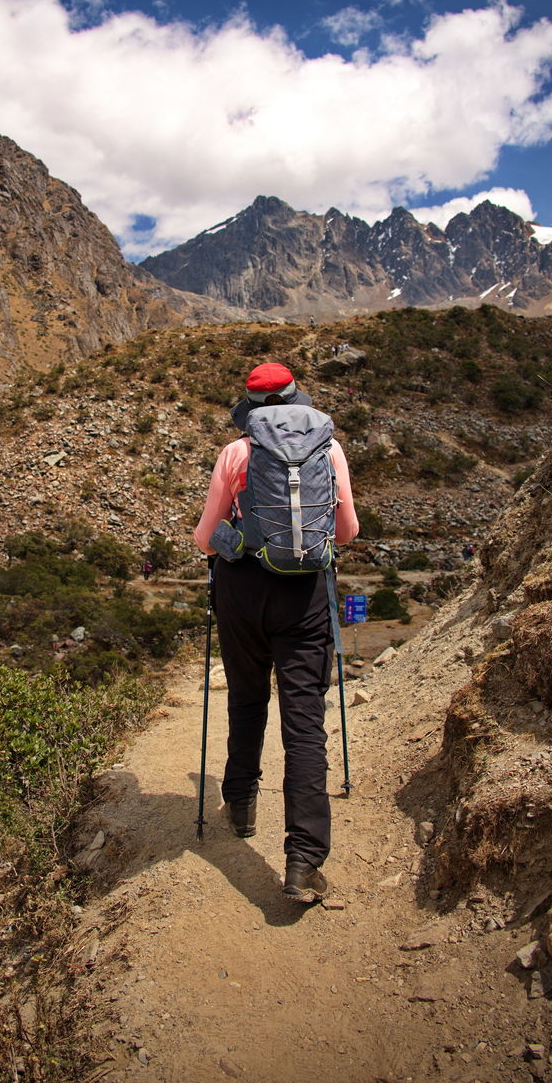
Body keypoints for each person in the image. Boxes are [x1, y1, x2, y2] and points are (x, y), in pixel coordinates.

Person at [194, 362, 359, 902]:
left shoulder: (237, 453)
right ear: (296, 397)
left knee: (245, 697)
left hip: (243, 591)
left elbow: (203, 539)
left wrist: (236, 535)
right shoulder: (328, 447)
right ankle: (303, 860)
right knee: (304, 721)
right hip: (305, 595)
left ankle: (240, 803)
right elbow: (347, 531)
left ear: (249, 403)